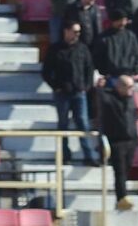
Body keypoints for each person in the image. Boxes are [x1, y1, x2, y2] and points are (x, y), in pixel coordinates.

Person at [41, 20, 99, 166]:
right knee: (63, 125)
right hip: (62, 93)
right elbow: (46, 71)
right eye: (74, 31)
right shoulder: (55, 49)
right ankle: (64, 154)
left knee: (83, 123)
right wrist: (56, 86)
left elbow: (89, 69)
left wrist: (86, 86)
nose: (77, 34)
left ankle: (88, 155)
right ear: (66, 31)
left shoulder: (83, 49)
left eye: (79, 32)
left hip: (79, 92)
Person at [95, 74, 138, 210]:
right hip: (117, 140)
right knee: (119, 170)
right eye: (129, 86)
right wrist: (99, 89)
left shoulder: (131, 100)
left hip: (130, 140)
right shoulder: (108, 98)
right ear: (119, 86)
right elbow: (99, 101)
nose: (132, 89)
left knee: (126, 169)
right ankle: (122, 198)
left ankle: (122, 195)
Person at [94, 9, 138, 82]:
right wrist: (104, 74)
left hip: (130, 75)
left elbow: (137, 55)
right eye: (120, 20)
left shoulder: (131, 36)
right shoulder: (104, 38)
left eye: (124, 20)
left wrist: (136, 71)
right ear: (113, 21)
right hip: (111, 77)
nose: (122, 23)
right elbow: (99, 58)